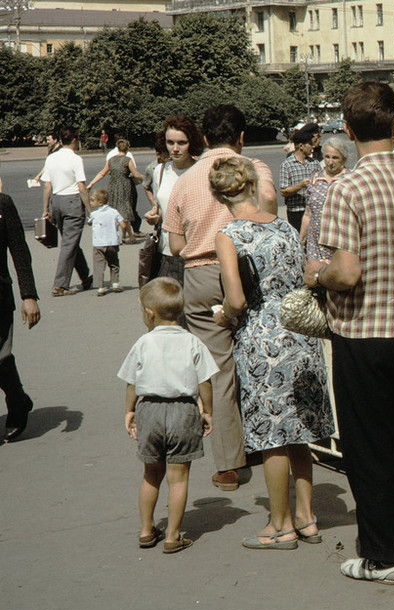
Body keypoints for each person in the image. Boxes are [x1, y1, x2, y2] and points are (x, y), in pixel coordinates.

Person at [315, 81, 394, 583]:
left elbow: (345, 273)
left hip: (362, 332)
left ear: (347, 131)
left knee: (365, 447)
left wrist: (316, 275)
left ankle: (382, 556)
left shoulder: (345, 187)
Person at [210, 156, 334, 548]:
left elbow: (236, 298)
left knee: (273, 434)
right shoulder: (282, 225)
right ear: (251, 187)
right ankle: (307, 517)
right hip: (300, 332)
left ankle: (279, 524)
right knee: (300, 431)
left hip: (263, 338)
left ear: (217, 195)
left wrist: (223, 319)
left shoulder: (230, 234)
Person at [163, 104, 278, 491]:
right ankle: (268, 438)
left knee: (219, 368)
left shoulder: (184, 180)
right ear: (241, 137)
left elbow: (175, 245)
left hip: (201, 275)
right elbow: (271, 209)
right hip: (251, 265)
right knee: (261, 352)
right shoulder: (254, 168)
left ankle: (230, 462)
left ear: (205, 138)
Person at [118, 277, 217, 554]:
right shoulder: (192, 342)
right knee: (179, 477)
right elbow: (205, 381)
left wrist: (129, 411)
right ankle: (174, 535)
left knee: (151, 474)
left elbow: (131, 383)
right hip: (183, 410)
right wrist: (207, 411)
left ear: (149, 313)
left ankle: (146, 530)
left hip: (148, 408)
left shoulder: (143, 343)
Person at [145, 114, 204, 286]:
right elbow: (161, 207)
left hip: (197, 253)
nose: (175, 148)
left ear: (191, 142)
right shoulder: (160, 171)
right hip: (167, 253)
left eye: (182, 143)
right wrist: (155, 216)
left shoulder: (201, 170)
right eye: (170, 143)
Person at [0, 192, 40, 442]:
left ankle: (17, 401)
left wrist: (29, 295)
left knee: (1, 356)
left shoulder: (3, 204)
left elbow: (19, 251)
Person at [41, 126, 93, 297]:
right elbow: (81, 187)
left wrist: (46, 208)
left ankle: (85, 276)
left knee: (71, 242)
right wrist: (90, 209)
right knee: (69, 244)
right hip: (72, 202)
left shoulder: (51, 158)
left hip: (56, 202)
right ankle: (60, 285)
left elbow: (47, 186)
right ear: (76, 140)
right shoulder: (76, 159)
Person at [301, 135, 352, 256]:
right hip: (315, 244)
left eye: (335, 158)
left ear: (343, 159)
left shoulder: (350, 180)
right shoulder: (315, 179)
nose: (330, 162)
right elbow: (308, 214)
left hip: (340, 245)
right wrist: (301, 239)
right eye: (327, 157)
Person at [88, 138, 145, 241]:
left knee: (115, 209)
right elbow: (136, 174)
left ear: (117, 148)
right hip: (125, 187)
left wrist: (91, 183)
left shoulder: (111, 160)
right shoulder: (128, 160)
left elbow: (102, 173)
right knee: (125, 210)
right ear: (127, 148)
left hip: (113, 186)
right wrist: (142, 178)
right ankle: (129, 236)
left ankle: (122, 236)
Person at [278, 129, 319, 232]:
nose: (312, 147)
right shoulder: (287, 165)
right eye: (309, 144)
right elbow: (283, 191)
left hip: (312, 211)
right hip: (296, 212)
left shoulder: (314, 163)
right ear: (301, 146)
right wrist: (300, 185)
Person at [87, 189, 126, 296]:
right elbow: (123, 224)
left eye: (92, 200)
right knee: (113, 263)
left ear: (100, 202)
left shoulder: (94, 214)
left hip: (98, 243)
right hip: (112, 242)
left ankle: (100, 287)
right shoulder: (114, 212)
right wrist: (122, 236)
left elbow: (89, 222)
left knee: (99, 265)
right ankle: (115, 283)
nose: (91, 202)